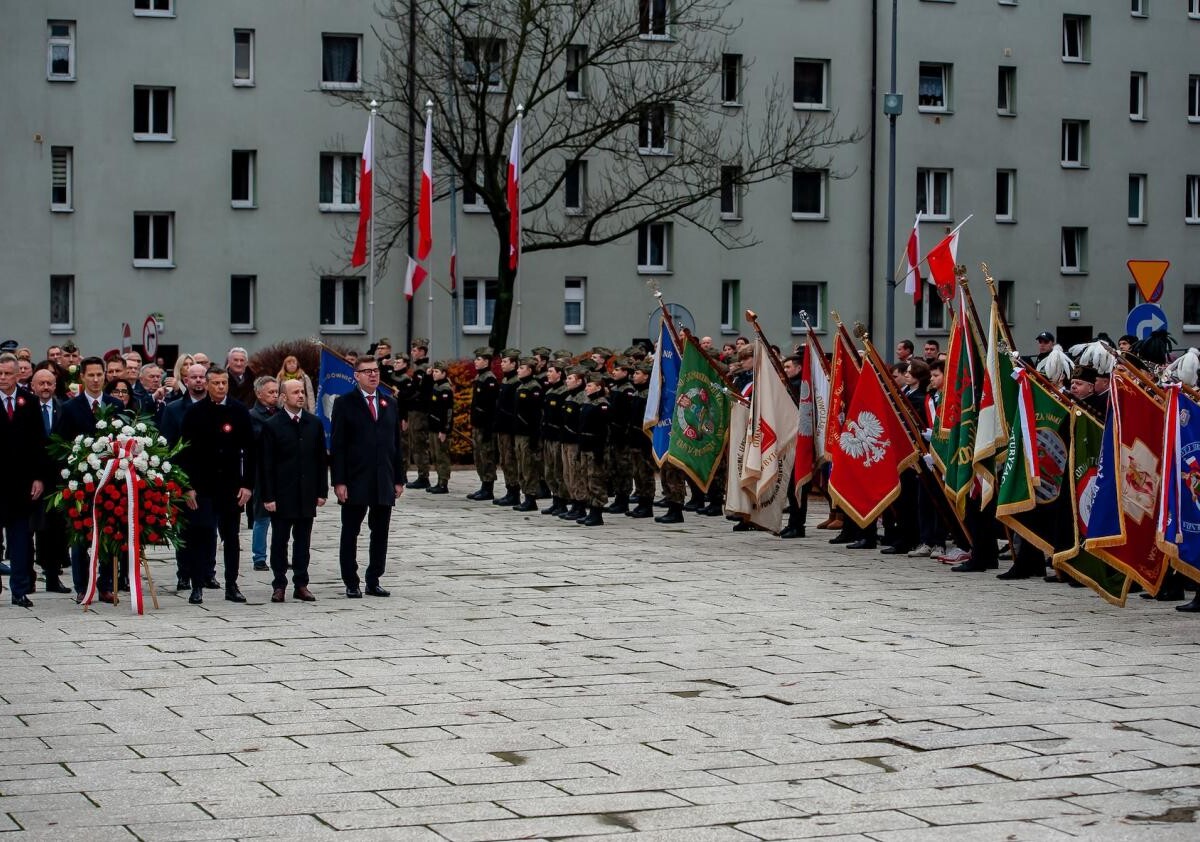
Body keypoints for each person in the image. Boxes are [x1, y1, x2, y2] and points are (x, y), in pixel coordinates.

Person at [178, 367, 256, 605]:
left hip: (230, 485)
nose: (221, 387)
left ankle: (232, 584)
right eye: (216, 383)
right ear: (208, 385)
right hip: (203, 485)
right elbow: (185, 452)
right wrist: (187, 486)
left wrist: (247, 485)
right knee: (201, 535)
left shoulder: (239, 411)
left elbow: (250, 450)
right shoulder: (195, 413)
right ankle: (197, 584)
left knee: (231, 537)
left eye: (224, 383)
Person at [330, 356, 404, 598]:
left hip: (383, 477)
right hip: (355, 478)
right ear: (356, 375)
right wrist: (339, 481)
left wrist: (398, 478)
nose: (373, 375)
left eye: (376, 370)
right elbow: (338, 445)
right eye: (367, 371)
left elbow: (396, 444)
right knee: (351, 531)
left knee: (380, 530)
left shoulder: (389, 403)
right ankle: (351, 580)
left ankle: (374, 578)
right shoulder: (344, 403)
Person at [56, 356, 124, 602]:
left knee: (108, 532)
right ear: (82, 377)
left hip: (110, 482)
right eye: (91, 375)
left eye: (99, 375)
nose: (96, 380)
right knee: (81, 535)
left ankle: (105, 584)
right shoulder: (70, 408)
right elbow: (61, 445)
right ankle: (82, 586)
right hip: (82, 482)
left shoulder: (115, 405)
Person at [259, 379, 327, 603]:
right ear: (283, 397)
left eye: (302, 392)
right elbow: (266, 464)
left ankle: (301, 583)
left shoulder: (314, 423)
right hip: (282, 493)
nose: (300, 395)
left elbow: (320, 459)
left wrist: (321, 491)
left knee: (303, 541)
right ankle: (279, 583)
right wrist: (268, 496)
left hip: (306, 492)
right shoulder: (272, 425)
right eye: (295, 392)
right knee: (279, 540)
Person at [0, 353, 48, 607]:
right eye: (0, 373)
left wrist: (39, 477)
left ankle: (19, 589)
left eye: (8, 373)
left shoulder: (28, 401)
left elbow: (39, 443)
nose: (3, 378)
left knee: (20, 539)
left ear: (18, 374)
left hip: (21, 483)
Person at [29, 368, 71, 594]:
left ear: (55, 386)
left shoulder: (63, 409)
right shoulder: (25, 409)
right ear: (33, 386)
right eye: (41, 383)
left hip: (57, 478)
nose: (45, 387)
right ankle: (28, 576)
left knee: (55, 530)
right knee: (30, 528)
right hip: (31, 478)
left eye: (50, 383)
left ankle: (53, 576)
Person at [247, 376, 279, 572]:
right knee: (262, 516)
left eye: (277, 392)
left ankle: (279, 553)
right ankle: (259, 556)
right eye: (271, 392)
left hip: (283, 471)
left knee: (282, 517)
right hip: (262, 471)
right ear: (259, 394)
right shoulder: (252, 415)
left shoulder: (283, 413)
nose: (275, 396)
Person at [467, 347, 500, 501]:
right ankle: (483, 485)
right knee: (479, 456)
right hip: (478, 424)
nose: (476, 362)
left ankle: (488, 488)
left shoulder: (490, 380)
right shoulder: (480, 378)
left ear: (486, 361)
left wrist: (488, 428)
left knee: (487, 456)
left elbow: (491, 406)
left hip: (486, 425)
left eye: (479, 359)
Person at [512, 358, 543, 511]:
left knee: (528, 466)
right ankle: (525, 496)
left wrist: (534, 437)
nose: (518, 370)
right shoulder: (521, 386)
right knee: (521, 466)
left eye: (522, 368)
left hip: (528, 434)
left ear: (530, 370)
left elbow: (536, 415)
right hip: (519, 433)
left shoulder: (534, 388)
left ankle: (531, 498)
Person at [492, 349, 521, 506]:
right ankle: (509, 489)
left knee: (510, 460)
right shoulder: (505, 381)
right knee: (504, 460)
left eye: (505, 361)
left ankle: (514, 491)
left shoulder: (516, 382)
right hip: (502, 427)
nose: (502, 364)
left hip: (509, 428)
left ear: (514, 364)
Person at [406, 338, 432, 488]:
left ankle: (423, 476)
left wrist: (406, 396)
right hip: (415, 411)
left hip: (420, 412)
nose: (412, 353)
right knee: (416, 443)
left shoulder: (423, 369)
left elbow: (421, 393)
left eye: (415, 350)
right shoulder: (418, 369)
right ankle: (422, 474)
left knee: (419, 443)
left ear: (422, 352)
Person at [426, 361, 455, 495]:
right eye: (434, 371)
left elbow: (447, 411)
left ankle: (443, 483)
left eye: (437, 372)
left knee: (442, 456)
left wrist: (444, 430)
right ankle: (438, 481)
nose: (434, 374)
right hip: (433, 426)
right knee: (435, 455)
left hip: (440, 428)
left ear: (443, 373)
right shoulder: (436, 386)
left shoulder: (445, 389)